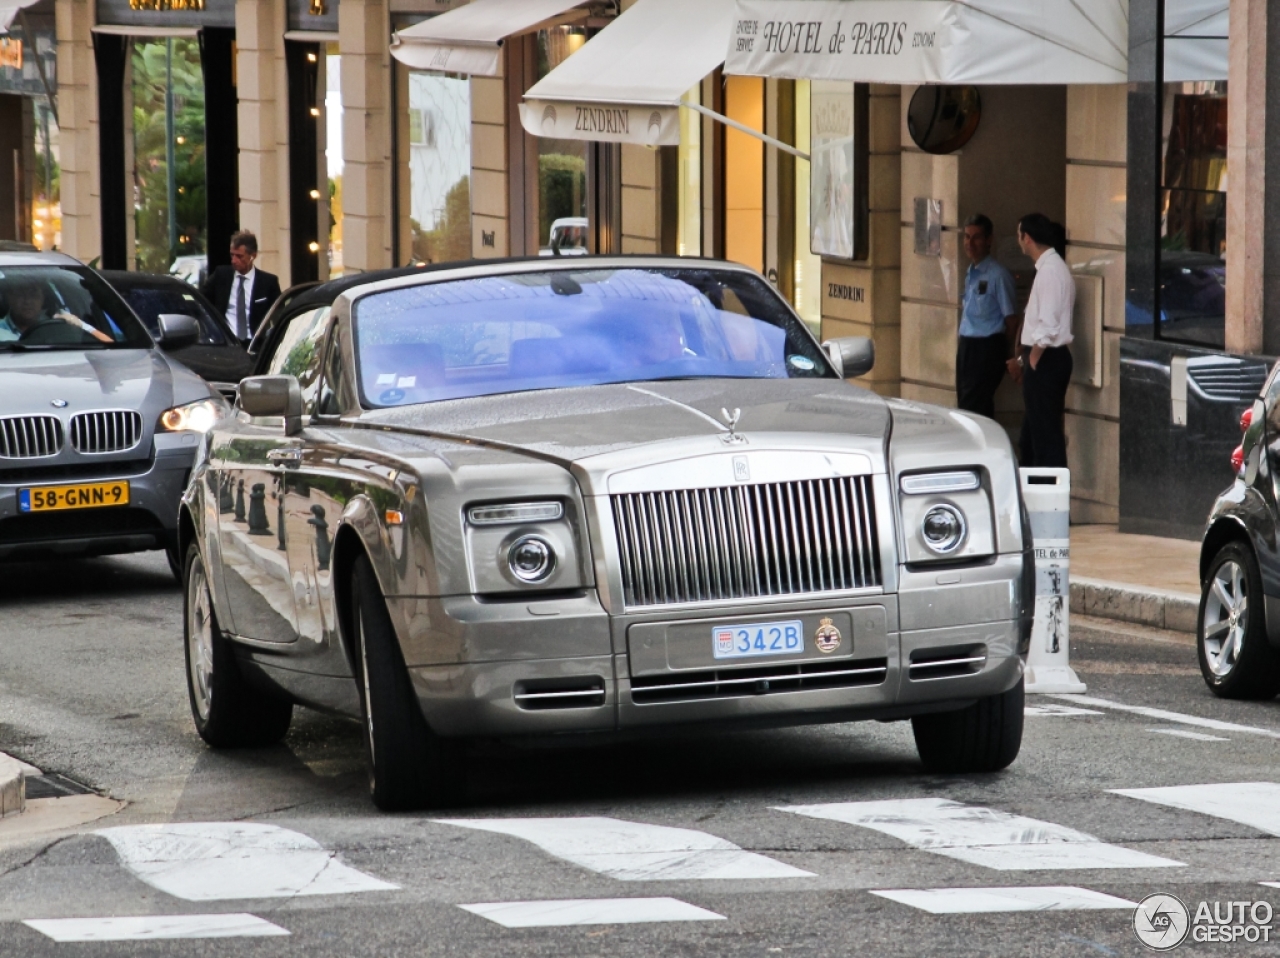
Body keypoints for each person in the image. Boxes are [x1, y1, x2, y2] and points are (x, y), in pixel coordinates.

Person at [1007, 213, 1074, 468]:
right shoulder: (1049, 269)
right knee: (1032, 438)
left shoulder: (1051, 272)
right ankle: (1037, 496)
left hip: (1047, 358)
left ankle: (1052, 499)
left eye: (1019, 235)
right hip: (1046, 358)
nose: (1019, 241)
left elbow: (1048, 322)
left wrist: (1033, 358)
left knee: (1046, 437)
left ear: (1028, 238)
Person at [956, 213, 1019, 419]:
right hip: (967, 346)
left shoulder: (998, 275)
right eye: (967, 237)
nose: (970, 243)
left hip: (987, 348)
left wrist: (1003, 351)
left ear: (989, 240)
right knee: (965, 406)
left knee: (976, 409)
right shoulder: (970, 273)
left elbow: (1011, 320)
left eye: (976, 237)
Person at [201, 230, 282, 344]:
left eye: (239, 256)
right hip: (227, 343)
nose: (234, 260)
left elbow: (279, 316)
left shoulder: (268, 282)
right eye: (232, 255)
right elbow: (200, 299)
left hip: (255, 344)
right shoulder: (221, 275)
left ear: (252, 256)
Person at [2, 277, 110, 345]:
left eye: (33, 294)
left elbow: (109, 344)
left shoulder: (61, 318)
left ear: (43, 297)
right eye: (20, 294)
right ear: (8, 297)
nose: (28, 301)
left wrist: (77, 327)